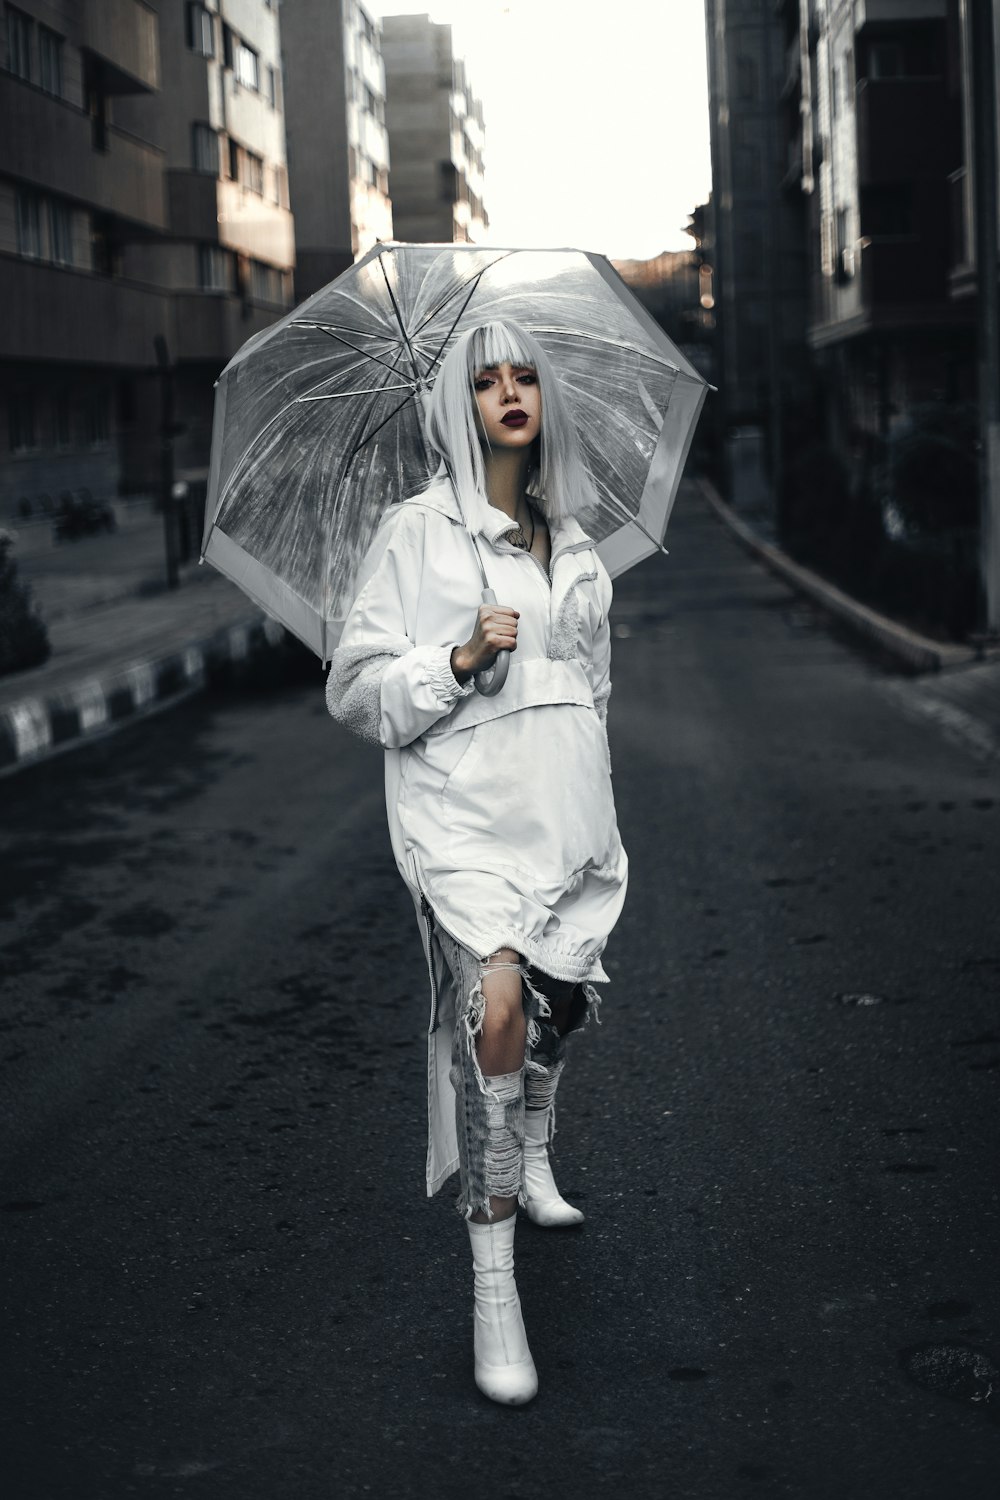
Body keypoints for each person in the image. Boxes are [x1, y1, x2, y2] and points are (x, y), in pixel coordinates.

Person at [325, 318, 628, 1405]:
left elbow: (592, 688)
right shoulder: (417, 534)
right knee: (495, 1009)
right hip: (463, 820)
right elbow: (355, 688)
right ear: (458, 405)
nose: (509, 393)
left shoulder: (577, 540)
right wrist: (456, 658)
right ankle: (493, 1292)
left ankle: (535, 1139)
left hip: (566, 813)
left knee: (560, 1007)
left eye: (525, 377)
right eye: (486, 379)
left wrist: (596, 797)